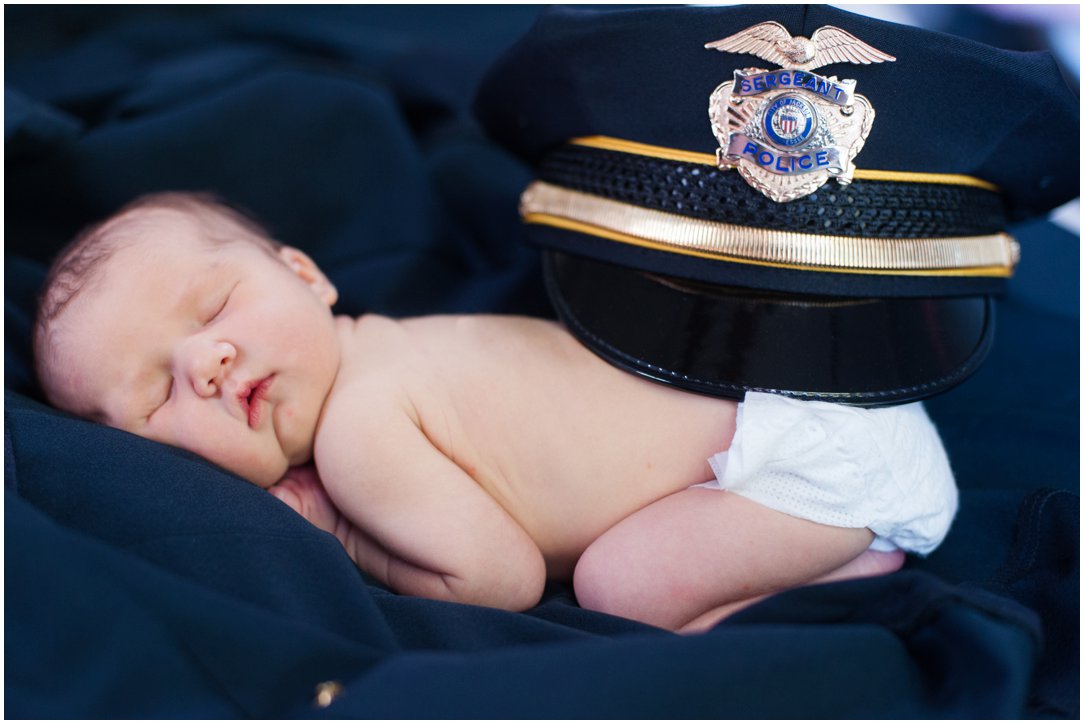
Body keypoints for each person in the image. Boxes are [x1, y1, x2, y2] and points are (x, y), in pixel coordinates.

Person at [33, 191, 956, 633]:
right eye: (155, 394)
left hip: (801, 465)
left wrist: (345, 535)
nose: (204, 363)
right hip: (810, 403)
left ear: (305, 276)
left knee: (623, 593)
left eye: (213, 307)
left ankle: (856, 570)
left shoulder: (358, 433)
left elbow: (499, 580)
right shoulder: (393, 343)